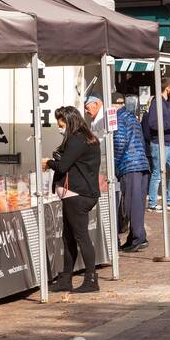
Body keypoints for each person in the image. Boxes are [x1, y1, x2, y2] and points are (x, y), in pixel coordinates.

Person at [43, 106, 102, 294]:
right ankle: (65, 278)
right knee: (68, 236)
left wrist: (48, 163)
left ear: (69, 121)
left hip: (76, 194)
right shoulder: (87, 138)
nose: (59, 127)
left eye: (61, 123)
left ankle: (91, 279)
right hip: (82, 193)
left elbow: (63, 166)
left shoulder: (77, 140)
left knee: (80, 236)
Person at [110, 93, 150, 252]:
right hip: (141, 163)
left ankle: (138, 238)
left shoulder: (119, 118)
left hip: (129, 164)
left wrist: (115, 164)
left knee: (132, 204)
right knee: (137, 203)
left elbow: (119, 143)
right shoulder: (131, 117)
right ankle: (136, 236)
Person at [144, 77, 170, 212]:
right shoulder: (157, 103)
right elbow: (153, 124)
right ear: (167, 88)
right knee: (157, 174)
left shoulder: (167, 103)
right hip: (159, 144)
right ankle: (153, 203)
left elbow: (166, 123)